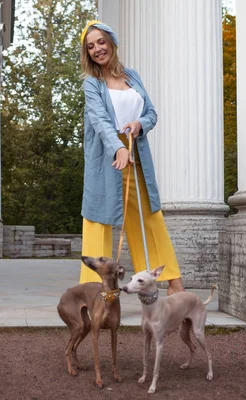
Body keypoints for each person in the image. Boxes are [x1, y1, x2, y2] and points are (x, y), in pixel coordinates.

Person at [78, 20, 185, 295]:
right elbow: (100, 120)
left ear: (111, 42)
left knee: (150, 218)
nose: (97, 49)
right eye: (90, 46)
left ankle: (172, 281)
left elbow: (151, 112)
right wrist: (118, 148)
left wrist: (139, 124)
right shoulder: (92, 84)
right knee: (98, 221)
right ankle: (95, 292)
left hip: (136, 155)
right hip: (107, 158)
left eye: (101, 42)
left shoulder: (132, 76)